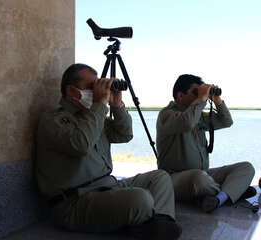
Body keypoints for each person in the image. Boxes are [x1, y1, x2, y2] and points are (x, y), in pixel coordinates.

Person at [36, 63, 182, 239]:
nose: (99, 92)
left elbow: (124, 134)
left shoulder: (92, 117)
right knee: (140, 199)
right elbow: (80, 144)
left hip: (109, 187)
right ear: (71, 90)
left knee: (160, 176)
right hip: (75, 202)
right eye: (91, 87)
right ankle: (149, 223)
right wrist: (99, 105)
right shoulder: (54, 118)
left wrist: (117, 105)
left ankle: (155, 223)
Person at [156, 74, 256, 213]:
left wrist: (216, 99)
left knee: (246, 168)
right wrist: (201, 99)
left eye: (201, 92)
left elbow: (226, 121)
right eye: (195, 92)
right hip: (173, 178)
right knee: (198, 179)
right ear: (180, 95)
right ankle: (231, 192)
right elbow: (186, 123)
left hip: (204, 174)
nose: (200, 95)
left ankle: (219, 197)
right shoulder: (167, 115)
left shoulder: (199, 116)